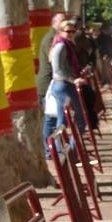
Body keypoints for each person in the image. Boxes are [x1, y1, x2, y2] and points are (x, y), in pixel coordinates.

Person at [41, 19, 87, 151]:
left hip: (66, 86)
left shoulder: (68, 45)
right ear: (61, 32)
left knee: (68, 121)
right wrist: (74, 80)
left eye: (73, 31)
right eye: (68, 31)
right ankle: (62, 152)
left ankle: (65, 151)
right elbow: (57, 70)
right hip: (63, 86)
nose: (71, 34)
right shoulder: (61, 46)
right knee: (70, 121)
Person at [34, 11, 67, 103]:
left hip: (54, 82)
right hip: (48, 83)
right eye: (62, 21)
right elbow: (53, 59)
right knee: (52, 111)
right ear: (54, 23)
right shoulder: (51, 38)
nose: (65, 23)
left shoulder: (58, 36)